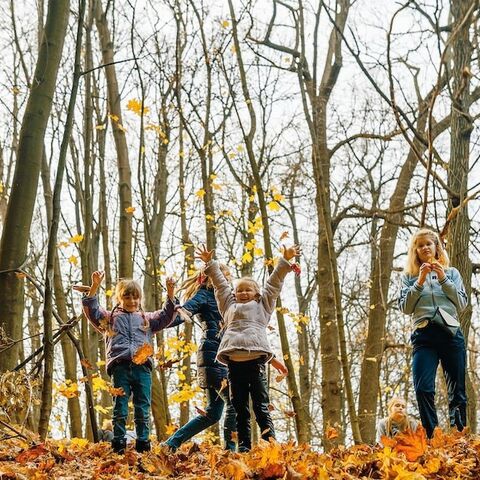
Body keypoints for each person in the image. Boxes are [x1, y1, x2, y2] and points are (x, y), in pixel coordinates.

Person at [197, 244, 298, 452]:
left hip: (256, 364)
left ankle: (271, 445)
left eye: (247, 289)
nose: (243, 292)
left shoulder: (263, 306)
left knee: (261, 407)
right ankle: (243, 446)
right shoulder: (228, 307)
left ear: (256, 293)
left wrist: (285, 261)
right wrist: (210, 264)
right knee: (239, 408)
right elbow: (220, 286)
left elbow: (273, 284)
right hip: (234, 366)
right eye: (239, 290)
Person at [81, 271, 177, 454]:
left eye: (136, 297)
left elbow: (167, 315)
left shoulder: (147, 319)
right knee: (120, 407)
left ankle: (143, 443)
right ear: (119, 297)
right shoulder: (110, 319)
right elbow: (92, 310)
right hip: (120, 366)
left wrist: (170, 293)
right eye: (127, 297)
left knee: (142, 406)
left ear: (140, 299)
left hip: (143, 368)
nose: (132, 301)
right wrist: (94, 286)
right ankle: (118, 443)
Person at [398, 228, 468, 438]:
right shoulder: (409, 277)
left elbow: (462, 303)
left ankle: (459, 437)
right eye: (420, 246)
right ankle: (432, 437)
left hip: (450, 333)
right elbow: (405, 307)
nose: (425, 248)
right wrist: (419, 282)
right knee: (423, 388)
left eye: (429, 243)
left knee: (457, 390)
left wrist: (443, 278)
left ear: (436, 247)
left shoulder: (452, 273)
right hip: (424, 336)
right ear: (415, 251)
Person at [163, 266, 237, 452]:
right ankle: (231, 452)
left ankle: (171, 443)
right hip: (213, 356)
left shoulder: (228, 299)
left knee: (212, 414)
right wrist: (172, 306)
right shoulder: (204, 295)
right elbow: (181, 315)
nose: (225, 279)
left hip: (225, 356)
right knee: (234, 403)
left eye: (227, 276)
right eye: (220, 276)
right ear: (208, 278)